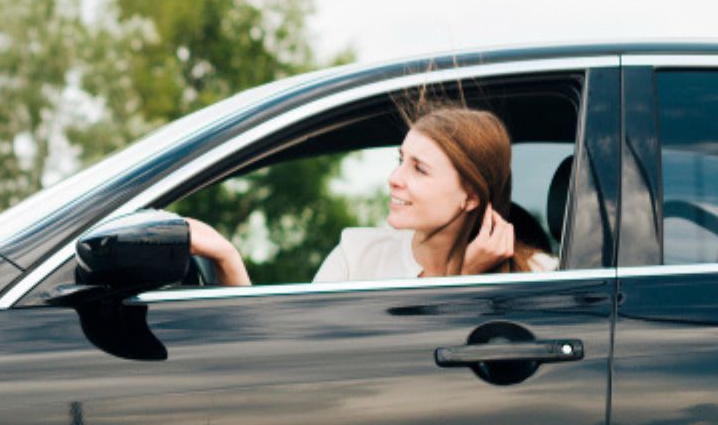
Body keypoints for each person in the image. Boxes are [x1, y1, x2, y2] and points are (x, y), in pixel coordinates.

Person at [186, 105, 559, 288]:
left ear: (470, 197)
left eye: (419, 168)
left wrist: (468, 281)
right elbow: (282, 358)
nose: (394, 179)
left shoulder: (542, 274)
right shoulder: (357, 256)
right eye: (400, 161)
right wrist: (228, 258)